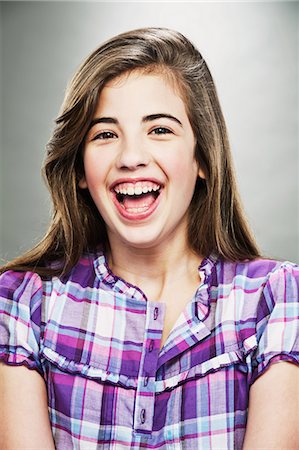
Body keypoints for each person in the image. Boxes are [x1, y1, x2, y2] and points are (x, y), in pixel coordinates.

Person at [0, 27, 298, 450]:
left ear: (202, 159)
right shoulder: (24, 304)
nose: (130, 157)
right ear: (81, 169)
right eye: (105, 134)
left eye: (159, 129)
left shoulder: (275, 301)